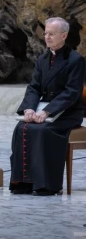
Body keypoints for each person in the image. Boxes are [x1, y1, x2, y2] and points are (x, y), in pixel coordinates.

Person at [9, 17, 85, 196]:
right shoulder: (43, 59)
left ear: (64, 35)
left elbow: (72, 92)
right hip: (44, 110)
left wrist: (47, 111)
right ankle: (23, 183)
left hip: (68, 112)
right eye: (46, 33)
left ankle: (46, 185)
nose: (47, 37)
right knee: (21, 127)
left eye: (52, 34)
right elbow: (34, 87)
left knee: (43, 130)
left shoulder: (75, 60)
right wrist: (28, 108)